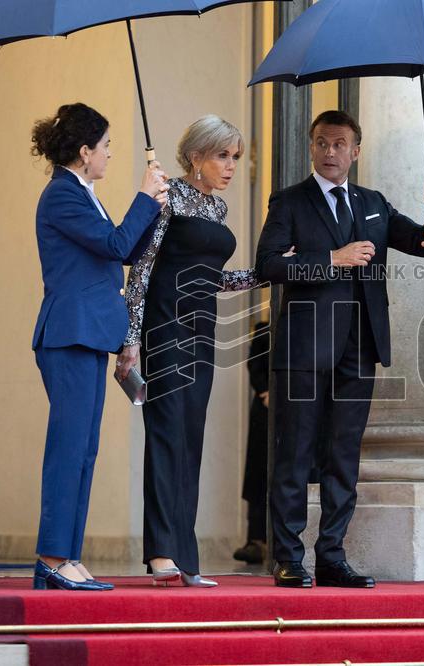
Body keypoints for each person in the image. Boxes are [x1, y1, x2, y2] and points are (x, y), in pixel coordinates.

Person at [256, 110, 424, 589]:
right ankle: (287, 556)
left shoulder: (374, 203)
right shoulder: (290, 202)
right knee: (295, 452)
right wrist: (332, 260)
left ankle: (332, 555)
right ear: (312, 148)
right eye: (321, 142)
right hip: (303, 348)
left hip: (359, 348)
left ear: (355, 151)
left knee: (344, 453)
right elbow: (269, 266)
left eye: (339, 144)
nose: (330, 151)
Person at [116, 115, 262, 588]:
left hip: (203, 332)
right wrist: (131, 340)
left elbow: (213, 279)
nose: (231, 166)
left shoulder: (215, 210)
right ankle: (161, 551)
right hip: (163, 328)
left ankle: (185, 553)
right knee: (166, 434)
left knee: (191, 438)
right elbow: (139, 271)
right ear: (197, 156)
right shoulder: (167, 197)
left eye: (235, 158)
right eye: (223, 155)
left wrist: (267, 273)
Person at [30, 102, 168, 591]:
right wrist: (144, 198)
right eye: (105, 146)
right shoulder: (62, 195)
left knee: (85, 448)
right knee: (69, 448)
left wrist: (154, 205)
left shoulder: (84, 192)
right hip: (69, 331)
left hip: (89, 331)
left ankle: (67, 554)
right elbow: (113, 246)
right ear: (84, 151)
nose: (110, 154)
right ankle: (51, 557)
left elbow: (125, 249)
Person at [233, 318, 270, 566]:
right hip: (265, 410)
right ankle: (256, 539)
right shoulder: (264, 330)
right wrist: (265, 391)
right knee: (258, 474)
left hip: (296, 409)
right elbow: (254, 364)